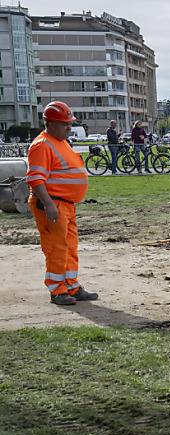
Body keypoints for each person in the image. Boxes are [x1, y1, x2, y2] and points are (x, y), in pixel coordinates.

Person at [25, 101, 97, 305]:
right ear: (50, 123)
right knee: (56, 248)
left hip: (66, 205)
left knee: (70, 246)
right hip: (53, 205)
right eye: (64, 123)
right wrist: (48, 204)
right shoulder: (42, 145)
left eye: (69, 123)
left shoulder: (60, 141)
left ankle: (71, 285)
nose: (69, 127)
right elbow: (35, 179)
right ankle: (58, 290)